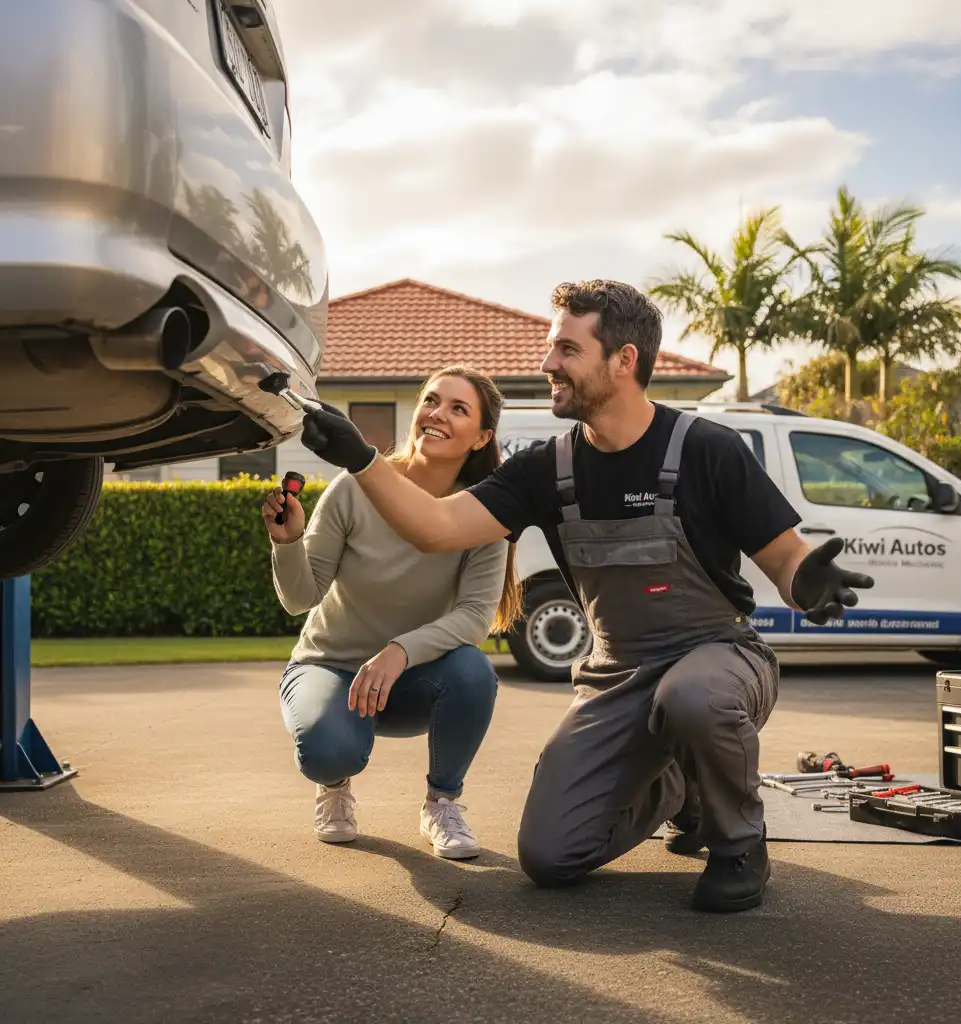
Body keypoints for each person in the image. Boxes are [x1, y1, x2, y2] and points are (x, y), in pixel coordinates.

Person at [296, 280, 874, 912]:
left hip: (717, 656)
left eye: (567, 350)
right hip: (616, 676)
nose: (548, 364)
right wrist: (359, 458)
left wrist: (802, 580)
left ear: (624, 360)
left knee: (692, 698)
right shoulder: (545, 469)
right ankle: (679, 785)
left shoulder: (708, 450)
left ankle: (739, 845)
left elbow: (786, 557)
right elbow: (435, 527)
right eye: (553, 348)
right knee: (550, 855)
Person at [262, 366, 521, 859]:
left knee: (472, 670)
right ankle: (334, 786)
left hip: (410, 682)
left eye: (458, 409)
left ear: (482, 436)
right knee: (327, 752)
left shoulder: (483, 513)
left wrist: (399, 651)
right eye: (431, 400)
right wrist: (288, 542)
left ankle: (442, 804)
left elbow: (474, 618)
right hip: (331, 667)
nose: (437, 414)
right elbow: (300, 598)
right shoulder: (352, 488)